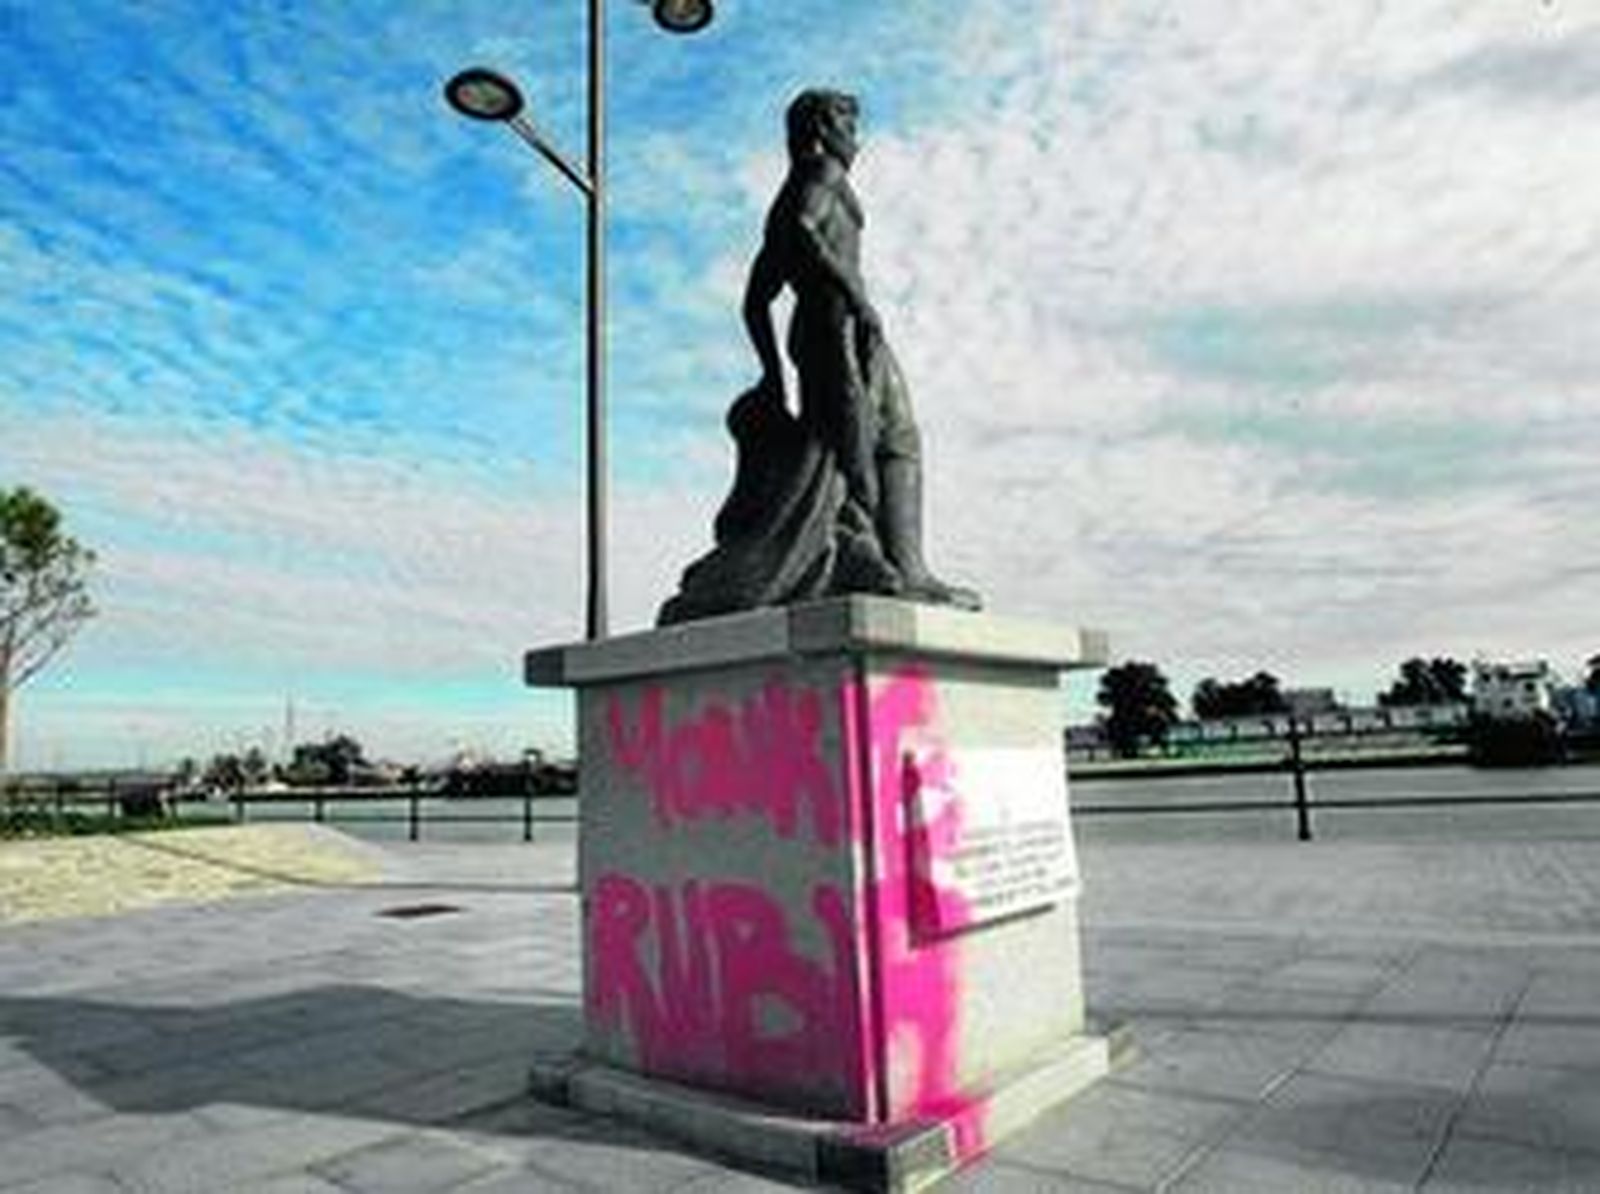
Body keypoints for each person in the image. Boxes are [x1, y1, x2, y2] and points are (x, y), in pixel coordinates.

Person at [657, 89, 977, 625]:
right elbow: (805, 230)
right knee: (868, 450)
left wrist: (772, 372)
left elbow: (755, 299)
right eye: (849, 128)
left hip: (833, 330)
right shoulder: (820, 173)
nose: (857, 141)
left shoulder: (791, 192)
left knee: (885, 438)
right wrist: (853, 293)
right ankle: (890, 566)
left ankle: (895, 561)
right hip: (836, 332)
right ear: (823, 130)